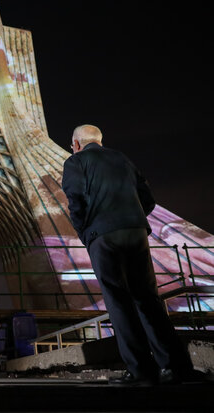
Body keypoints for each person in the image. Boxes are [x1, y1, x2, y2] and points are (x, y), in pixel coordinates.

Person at [61, 124, 194, 385]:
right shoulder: (121, 158)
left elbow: (75, 200)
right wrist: (131, 218)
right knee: (148, 298)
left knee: (118, 301)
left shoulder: (76, 162)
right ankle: (176, 367)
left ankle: (141, 370)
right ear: (100, 141)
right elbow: (148, 198)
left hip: (103, 235)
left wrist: (86, 233)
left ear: (76, 144)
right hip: (135, 232)